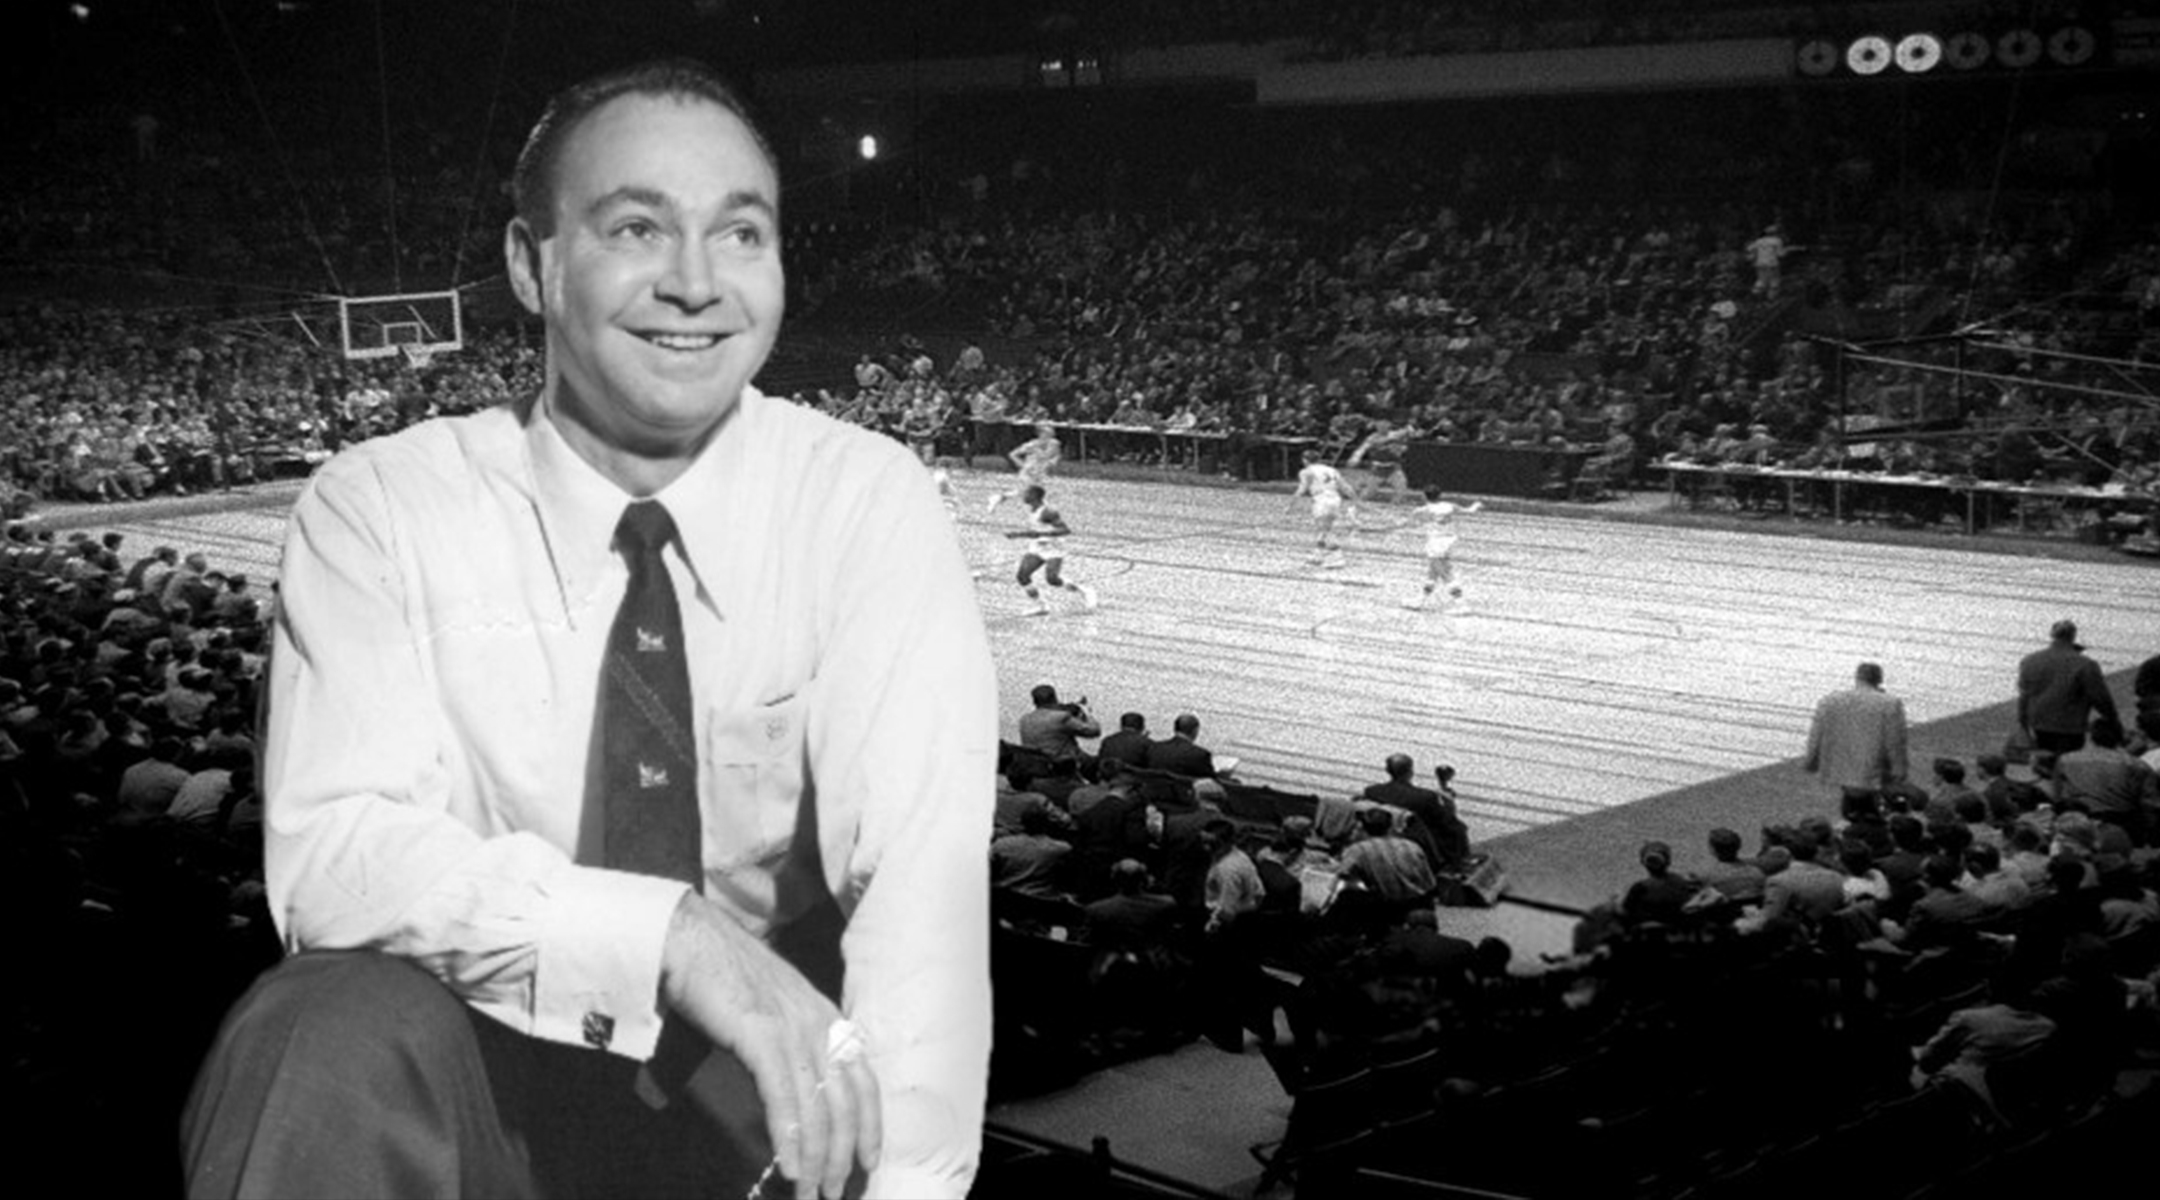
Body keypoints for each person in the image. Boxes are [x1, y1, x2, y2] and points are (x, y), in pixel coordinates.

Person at [181, 61, 997, 1200]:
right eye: (636, 228)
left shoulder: (863, 497)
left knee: (851, 1063)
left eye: (743, 234)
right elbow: (336, 860)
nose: (697, 283)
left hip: (763, 1056)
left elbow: (923, 898)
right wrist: (669, 936)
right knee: (317, 1029)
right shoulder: (381, 507)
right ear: (533, 263)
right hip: (475, 1036)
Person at [1801, 661, 1910, 802]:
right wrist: (1899, 768)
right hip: (1873, 768)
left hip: (1840, 767)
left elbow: (1816, 735)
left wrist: (1811, 761)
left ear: (1857, 678)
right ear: (1879, 680)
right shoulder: (1890, 703)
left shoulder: (1830, 701)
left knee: (1851, 803)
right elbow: (1895, 741)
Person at [2017, 619, 2119, 755]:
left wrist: (2023, 723)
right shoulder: (2085, 664)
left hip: (2038, 723)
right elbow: (2099, 697)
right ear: (2073, 636)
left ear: (2052, 635)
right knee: (2067, 763)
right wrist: (2112, 718)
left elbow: (2024, 696)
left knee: (2043, 760)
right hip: (2069, 726)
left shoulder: (2030, 661)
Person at [1005, 484, 1097, 615]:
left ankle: (1085, 591)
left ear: (1034, 496)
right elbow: (1036, 531)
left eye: (1027, 494)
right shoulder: (1033, 510)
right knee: (1022, 576)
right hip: (1038, 546)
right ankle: (1041, 606)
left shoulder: (1048, 512)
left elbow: (1065, 530)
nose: (1024, 496)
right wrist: (1017, 535)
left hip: (1053, 547)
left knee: (1052, 579)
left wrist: (1043, 535)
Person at [1400, 485, 1482, 609]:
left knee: (1445, 573)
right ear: (1440, 495)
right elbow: (1469, 510)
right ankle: (1420, 600)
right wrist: (1476, 505)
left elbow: (1408, 524)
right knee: (1432, 573)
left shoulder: (1421, 510)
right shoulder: (1449, 506)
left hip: (1436, 543)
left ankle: (1461, 604)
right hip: (1450, 540)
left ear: (1424, 495)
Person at [1291, 447, 1355, 567]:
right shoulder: (1332, 470)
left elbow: (1302, 489)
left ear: (1305, 460)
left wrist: (1292, 504)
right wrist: (1355, 499)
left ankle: (1337, 557)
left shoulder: (1306, 472)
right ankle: (1317, 555)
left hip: (1321, 499)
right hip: (1335, 499)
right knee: (1323, 529)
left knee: (1325, 529)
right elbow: (1345, 487)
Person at [985, 422, 1061, 513]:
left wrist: (1052, 463)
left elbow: (1056, 455)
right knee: (1034, 491)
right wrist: (1023, 465)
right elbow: (1013, 454)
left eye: (1050, 433)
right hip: (1029, 472)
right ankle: (1042, 510)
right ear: (1040, 434)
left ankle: (997, 498)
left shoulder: (1054, 444)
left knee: (1023, 492)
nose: (1048, 435)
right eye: (1045, 433)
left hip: (1040, 472)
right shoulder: (1032, 445)